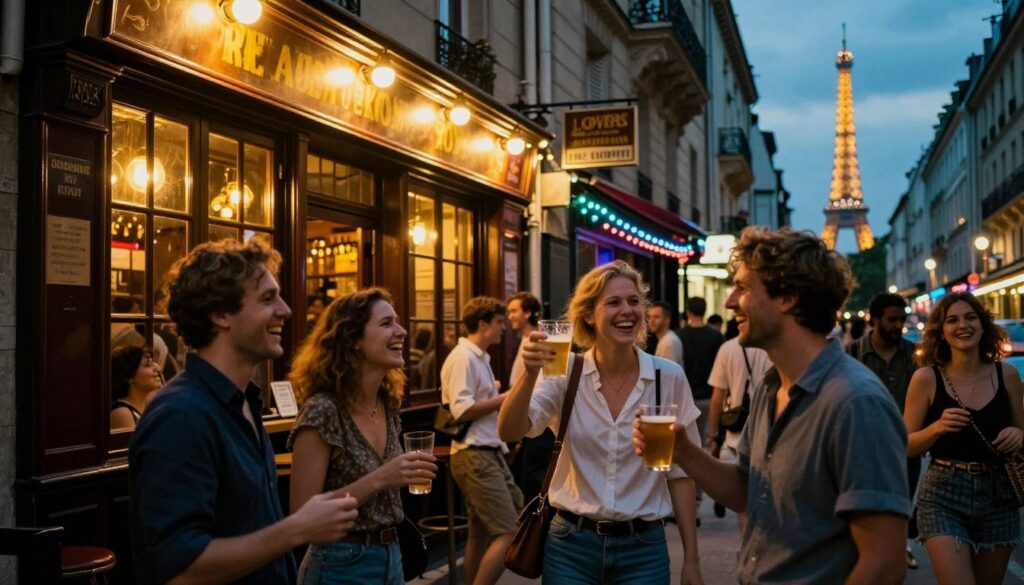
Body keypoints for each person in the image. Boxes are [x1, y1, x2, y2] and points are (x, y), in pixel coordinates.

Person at [635, 227, 910, 584]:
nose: (731, 302)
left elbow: (884, 565)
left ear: (788, 298)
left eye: (744, 288)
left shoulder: (855, 403)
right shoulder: (771, 387)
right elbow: (746, 491)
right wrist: (683, 451)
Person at [130, 239, 359, 585]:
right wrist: (296, 529)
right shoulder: (181, 414)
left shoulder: (244, 402)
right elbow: (178, 569)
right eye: (268, 298)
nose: (286, 310)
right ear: (220, 314)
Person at [499, 260, 704, 585]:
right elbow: (510, 430)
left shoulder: (668, 377)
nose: (628, 310)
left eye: (634, 301)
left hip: (644, 549)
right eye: (613, 302)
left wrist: (692, 560)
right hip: (570, 546)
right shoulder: (564, 373)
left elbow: (680, 475)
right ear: (588, 315)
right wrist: (529, 373)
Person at [288, 288, 437, 584]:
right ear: (353, 340)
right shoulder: (323, 410)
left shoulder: (388, 402)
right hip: (340, 563)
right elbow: (302, 512)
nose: (402, 331)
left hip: (392, 556)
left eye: (397, 322)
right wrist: (382, 477)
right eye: (386, 324)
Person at [904, 292, 1024, 585]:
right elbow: (904, 446)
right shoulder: (926, 379)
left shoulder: (1006, 374)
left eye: (971, 318)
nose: (963, 326)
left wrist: (1018, 434)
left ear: (983, 325)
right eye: (952, 320)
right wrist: (936, 428)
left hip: (1000, 494)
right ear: (941, 331)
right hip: (943, 494)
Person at [441, 297, 523, 585]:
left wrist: (493, 395)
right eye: (500, 322)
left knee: (480, 531)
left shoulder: (477, 357)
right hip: (474, 453)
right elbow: (461, 409)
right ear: (483, 323)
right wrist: (502, 398)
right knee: (509, 531)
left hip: (485, 449)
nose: (505, 328)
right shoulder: (464, 358)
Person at [846, 292, 921, 569]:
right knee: (865, 502)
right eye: (892, 320)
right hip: (864, 444)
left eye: (901, 320)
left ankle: (901, 549)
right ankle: (865, 553)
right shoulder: (852, 353)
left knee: (903, 499)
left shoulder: (914, 355)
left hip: (906, 444)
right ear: (874, 319)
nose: (898, 325)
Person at [705, 337, 772, 526]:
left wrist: (713, 435)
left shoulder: (727, 349)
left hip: (735, 431)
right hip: (766, 430)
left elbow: (717, 398)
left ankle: (745, 548)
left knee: (743, 504)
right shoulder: (771, 347)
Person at [506, 291, 553, 501]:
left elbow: (547, 382)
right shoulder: (524, 339)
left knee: (533, 484)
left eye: (514, 311)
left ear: (529, 313)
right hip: (526, 420)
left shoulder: (541, 341)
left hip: (540, 420)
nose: (510, 316)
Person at [677, 297, 725, 453]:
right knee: (706, 445)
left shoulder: (678, 336)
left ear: (688, 311)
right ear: (705, 311)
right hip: (710, 397)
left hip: (685, 398)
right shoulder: (716, 336)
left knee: (688, 446)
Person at [110, 345, 163, 431]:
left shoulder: (148, 406)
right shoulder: (122, 413)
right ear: (129, 377)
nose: (157, 368)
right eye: (147, 365)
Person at [648, 301, 683, 367]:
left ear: (667, 320)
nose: (651, 321)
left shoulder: (668, 343)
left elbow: (669, 373)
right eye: (649, 317)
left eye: (656, 317)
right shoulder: (666, 339)